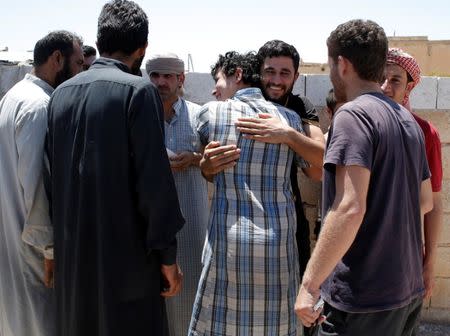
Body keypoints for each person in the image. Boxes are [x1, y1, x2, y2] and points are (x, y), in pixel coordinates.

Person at [45, 1, 184, 336]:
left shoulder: (60, 94)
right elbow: (154, 183)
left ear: (100, 38)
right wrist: (168, 258)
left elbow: (51, 177)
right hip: (127, 266)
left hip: (74, 261)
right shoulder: (139, 92)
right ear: (142, 48)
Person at [295, 19, 433, 336]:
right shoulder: (407, 121)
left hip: (362, 299)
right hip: (404, 294)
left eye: (331, 65)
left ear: (342, 65)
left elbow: (349, 207)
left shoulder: (352, 115)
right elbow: (424, 202)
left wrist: (309, 284)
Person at [189, 51, 306, 335]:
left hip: (229, 244)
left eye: (218, 79)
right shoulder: (289, 119)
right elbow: (313, 166)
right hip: (278, 243)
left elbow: (206, 157)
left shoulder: (210, 112)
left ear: (237, 74)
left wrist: (204, 164)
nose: (215, 89)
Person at [0, 30, 83, 336]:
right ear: (57, 59)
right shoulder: (39, 106)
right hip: (35, 253)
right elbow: (36, 184)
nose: (80, 73)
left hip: (13, 242)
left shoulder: (14, 96)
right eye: (77, 64)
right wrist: (50, 250)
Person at [146, 53, 208, 336]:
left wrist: (193, 159)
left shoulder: (199, 116)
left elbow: (216, 157)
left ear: (181, 79)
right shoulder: (139, 116)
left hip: (191, 220)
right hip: (151, 225)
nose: (161, 82)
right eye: (155, 76)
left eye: (168, 76)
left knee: (191, 292)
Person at [381, 48, 443, 302]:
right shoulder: (356, 125)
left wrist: (429, 265)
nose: (385, 87)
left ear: (408, 86)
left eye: (395, 79)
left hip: (406, 261)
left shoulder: (425, 132)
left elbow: (433, 204)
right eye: (380, 78)